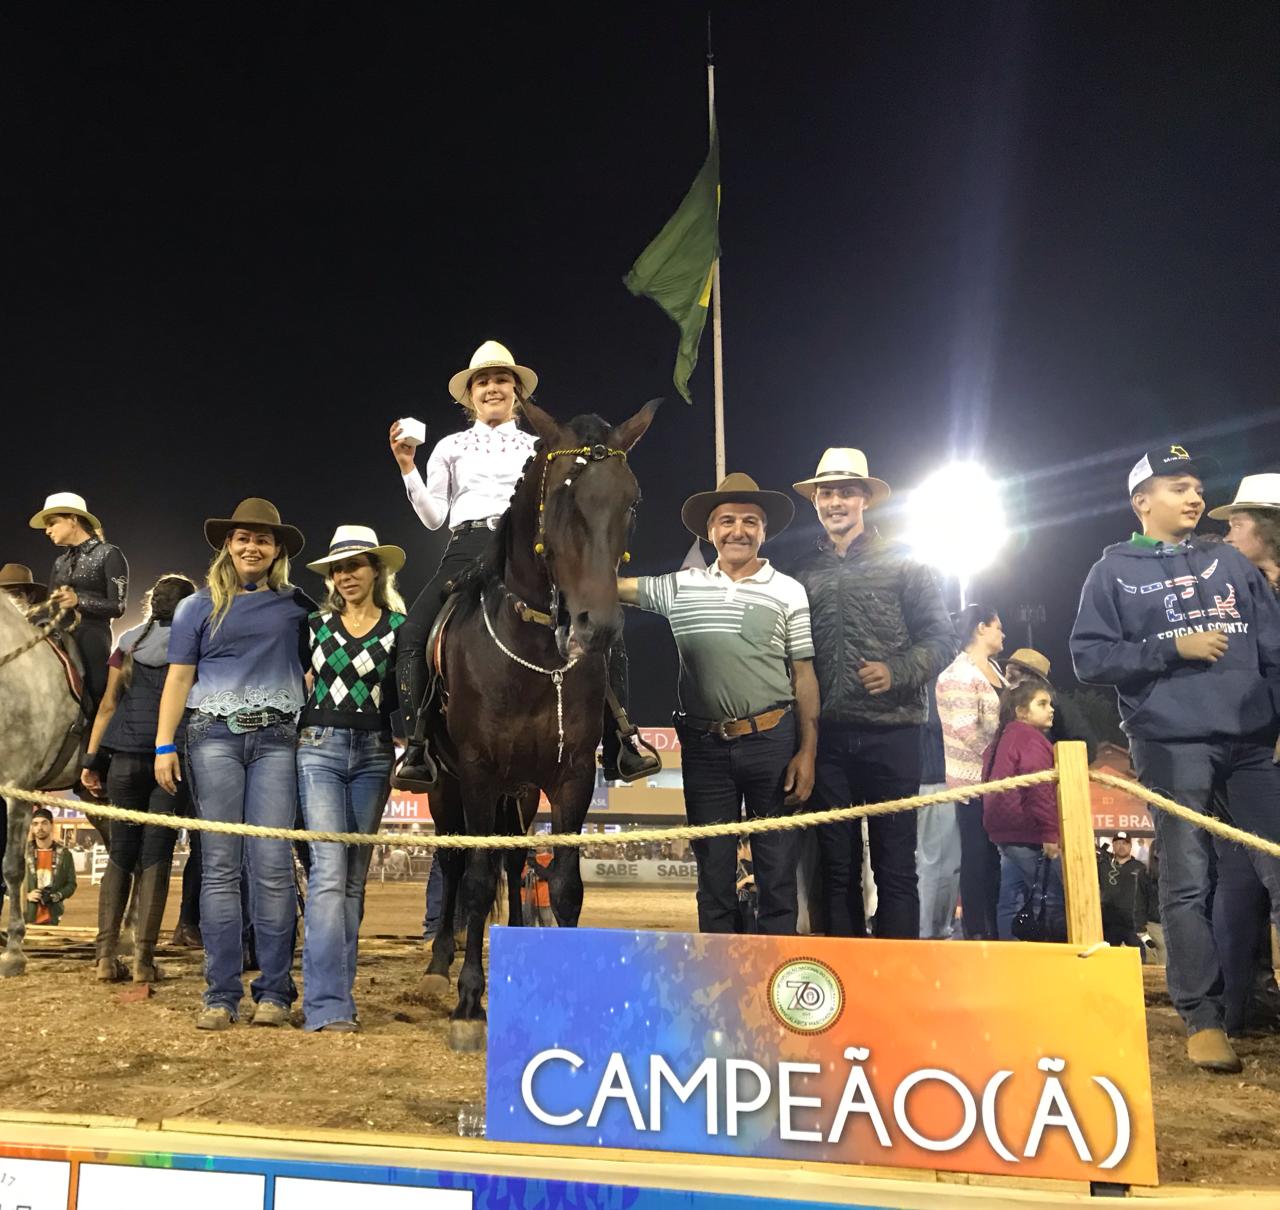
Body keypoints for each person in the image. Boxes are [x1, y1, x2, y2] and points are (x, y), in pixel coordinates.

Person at [1070, 444, 1280, 1073]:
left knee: (1279, 868)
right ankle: (1203, 1017)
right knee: (1188, 878)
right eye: (1177, 487)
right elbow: (1090, 658)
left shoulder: (1230, 563)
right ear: (1142, 502)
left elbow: (1274, 645)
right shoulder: (1111, 571)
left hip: (1250, 739)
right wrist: (1173, 649)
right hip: (1170, 740)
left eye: (1195, 486)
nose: (1193, 497)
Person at [389, 340, 657, 790]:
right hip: (467, 544)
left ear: (516, 391)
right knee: (413, 633)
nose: (492, 388)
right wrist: (407, 467)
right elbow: (435, 517)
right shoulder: (450, 446)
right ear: (469, 395)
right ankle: (417, 745)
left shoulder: (544, 446)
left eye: (501, 380)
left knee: (605, 626)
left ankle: (620, 741)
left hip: (527, 550)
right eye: (483, 382)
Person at [620, 473, 819, 935]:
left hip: (773, 740)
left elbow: (803, 675)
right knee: (712, 873)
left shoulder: (788, 590)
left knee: (777, 873)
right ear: (709, 532)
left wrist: (807, 751)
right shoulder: (678, 587)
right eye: (726, 520)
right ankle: (720, 977)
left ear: (764, 531)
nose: (738, 531)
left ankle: (776, 981)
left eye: (751, 521)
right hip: (705, 747)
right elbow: (609, 588)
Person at [155, 498, 313, 1031]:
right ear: (228, 544)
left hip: (277, 740)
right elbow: (178, 679)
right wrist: (163, 745)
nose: (253, 546)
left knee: (271, 869)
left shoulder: (299, 606)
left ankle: (274, 992)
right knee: (220, 870)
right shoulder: (196, 607)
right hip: (211, 737)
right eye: (244, 537)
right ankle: (220, 994)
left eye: (264, 539)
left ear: (277, 550)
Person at [788, 448, 958, 938]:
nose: (835, 501)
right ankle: (848, 978)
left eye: (846, 491)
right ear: (815, 501)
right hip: (829, 739)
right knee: (836, 867)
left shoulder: (907, 564)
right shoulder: (803, 572)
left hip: (894, 732)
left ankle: (896, 979)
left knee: (895, 866)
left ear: (865, 498)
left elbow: (943, 639)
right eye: (826, 492)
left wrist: (897, 670)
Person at [297, 525, 407, 1033]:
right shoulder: (313, 626)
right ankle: (327, 1003)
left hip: (375, 754)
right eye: (337, 569)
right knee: (328, 874)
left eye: (354, 566)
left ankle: (339, 992)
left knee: (353, 881)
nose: (344, 576)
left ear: (375, 571)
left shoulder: (400, 628)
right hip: (318, 748)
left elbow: (406, 697)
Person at [81, 573, 198, 982]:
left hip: (123, 761)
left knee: (119, 856)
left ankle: (103, 957)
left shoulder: (128, 641)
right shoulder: (195, 641)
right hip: (171, 762)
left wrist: (92, 758)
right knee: (156, 858)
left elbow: (109, 705)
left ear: (152, 604)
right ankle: (144, 962)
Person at [1207, 472, 1280, 1036]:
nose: (1228, 532)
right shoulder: (1238, 591)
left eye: (1239, 521)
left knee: (1252, 873)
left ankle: (1240, 1007)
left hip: (1258, 751)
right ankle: (1237, 1008)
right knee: (1240, 874)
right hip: (1248, 755)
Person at [936, 605, 1006, 940]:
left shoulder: (993, 668)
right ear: (981, 628)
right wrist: (1001, 756)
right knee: (977, 856)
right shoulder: (958, 674)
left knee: (993, 858)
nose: (1002, 634)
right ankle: (979, 929)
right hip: (974, 782)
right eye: (998, 627)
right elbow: (965, 727)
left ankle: (998, 925)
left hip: (1000, 780)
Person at [981, 679, 1066, 942]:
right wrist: (1050, 833)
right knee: (1054, 895)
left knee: (1010, 896)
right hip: (1027, 830)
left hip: (1003, 830)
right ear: (1021, 711)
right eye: (1042, 704)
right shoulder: (1031, 739)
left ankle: (1009, 951)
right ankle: (1054, 950)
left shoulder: (1002, 738)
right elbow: (1038, 789)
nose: (1050, 709)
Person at [29, 492, 128, 712]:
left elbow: (118, 607)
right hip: (58, 631)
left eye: (52, 523)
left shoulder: (109, 554)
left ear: (73, 519)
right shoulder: (60, 562)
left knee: (97, 688)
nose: (47, 530)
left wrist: (78, 600)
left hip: (91, 632)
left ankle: (102, 733)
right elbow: (51, 604)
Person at [916, 679, 961, 939]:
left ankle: (933, 928)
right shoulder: (935, 678)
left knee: (940, 862)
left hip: (936, 781)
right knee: (938, 862)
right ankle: (929, 930)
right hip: (934, 781)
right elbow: (933, 724)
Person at [1003, 648, 1097, 763]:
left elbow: (1087, 745)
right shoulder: (1010, 704)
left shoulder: (1058, 704)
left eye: (1011, 673)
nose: (1006, 678)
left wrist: (1055, 765)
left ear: (1030, 676)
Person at [1099, 832, 1159, 954]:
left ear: (1130, 846)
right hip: (1109, 922)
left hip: (1133, 923)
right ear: (1113, 845)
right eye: (1118, 843)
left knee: (1138, 958)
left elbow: (1147, 896)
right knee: (1108, 958)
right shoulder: (1103, 865)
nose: (1121, 846)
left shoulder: (1141, 868)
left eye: (1125, 843)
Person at [24, 808, 76, 925]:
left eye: (44, 823)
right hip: (26, 917)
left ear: (52, 825)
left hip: (53, 917)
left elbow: (71, 884)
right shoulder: (22, 853)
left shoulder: (64, 854)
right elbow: (7, 883)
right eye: (35, 824)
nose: (40, 827)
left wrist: (57, 895)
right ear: (31, 827)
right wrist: (26, 896)